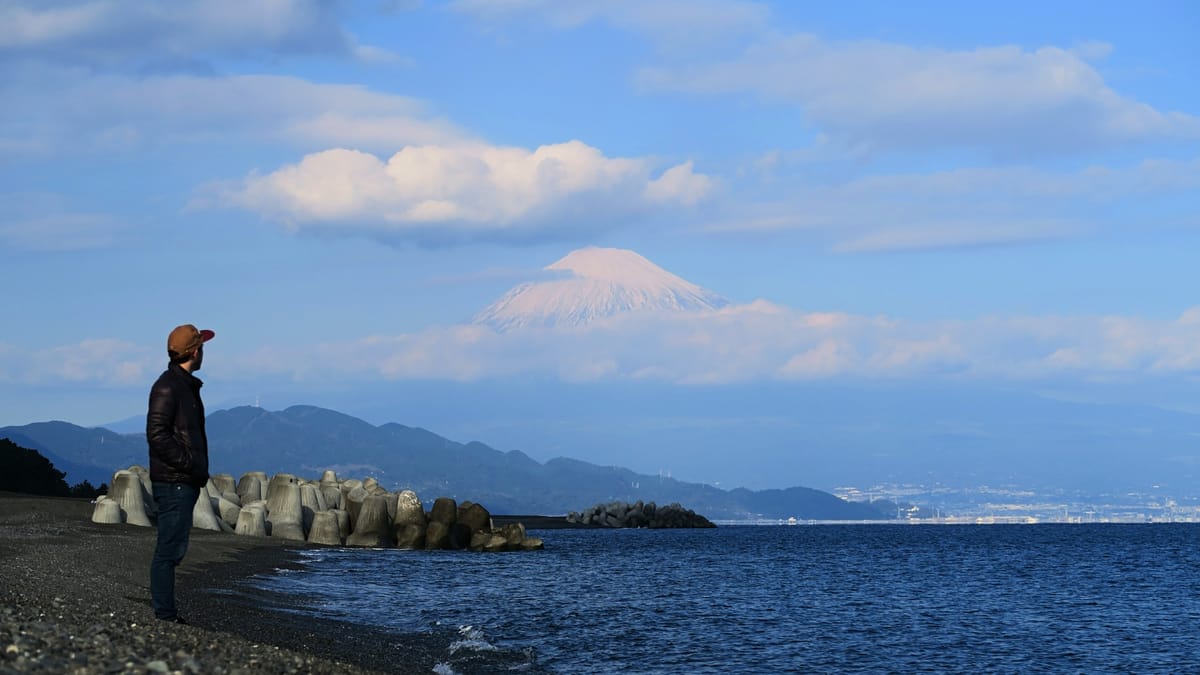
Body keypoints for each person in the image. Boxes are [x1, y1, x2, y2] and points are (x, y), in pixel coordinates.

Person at [146, 323, 214, 624]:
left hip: (181, 481)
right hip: (174, 482)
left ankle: (167, 612)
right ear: (195, 351)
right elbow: (157, 434)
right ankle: (165, 615)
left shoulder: (183, 384)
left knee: (174, 548)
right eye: (203, 347)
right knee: (169, 550)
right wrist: (189, 464)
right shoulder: (168, 386)